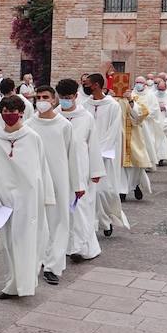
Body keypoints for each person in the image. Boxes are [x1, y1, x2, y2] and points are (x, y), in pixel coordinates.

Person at [0, 95, 54, 299]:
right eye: (5, 111)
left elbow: (42, 167)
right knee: (7, 243)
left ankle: (25, 283)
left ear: (21, 113)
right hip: (5, 199)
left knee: (27, 241)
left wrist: (46, 196)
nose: (9, 114)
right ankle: (12, 283)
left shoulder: (32, 137)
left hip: (28, 198)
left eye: (12, 111)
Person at [26, 86, 80, 286]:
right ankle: (37, 260)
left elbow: (72, 155)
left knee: (59, 221)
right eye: (38, 97)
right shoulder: (29, 124)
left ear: (54, 100)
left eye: (45, 97)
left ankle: (53, 266)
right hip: (36, 179)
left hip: (59, 179)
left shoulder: (63, 125)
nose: (41, 100)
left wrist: (77, 183)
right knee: (39, 222)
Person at [57, 78, 104, 263]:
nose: (64, 101)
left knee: (80, 207)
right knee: (62, 209)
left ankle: (82, 246)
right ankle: (64, 245)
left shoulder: (86, 117)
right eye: (61, 97)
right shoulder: (53, 116)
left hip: (81, 167)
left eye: (68, 97)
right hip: (60, 168)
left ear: (76, 96)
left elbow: (93, 144)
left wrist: (96, 170)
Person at [84, 73, 130, 237]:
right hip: (86, 154)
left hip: (105, 155)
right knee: (89, 192)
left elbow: (114, 130)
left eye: (87, 83)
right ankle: (92, 223)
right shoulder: (84, 104)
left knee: (104, 190)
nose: (84, 85)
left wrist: (99, 151)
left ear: (96, 85)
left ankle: (106, 219)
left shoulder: (112, 105)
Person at [122, 78, 157, 200]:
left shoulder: (135, 99)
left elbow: (142, 114)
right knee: (119, 166)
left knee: (134, 165)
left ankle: (135, 185)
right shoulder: (112, 100)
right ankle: (122, 191)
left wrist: (130, 101)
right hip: (117, 138)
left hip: (132, 136)